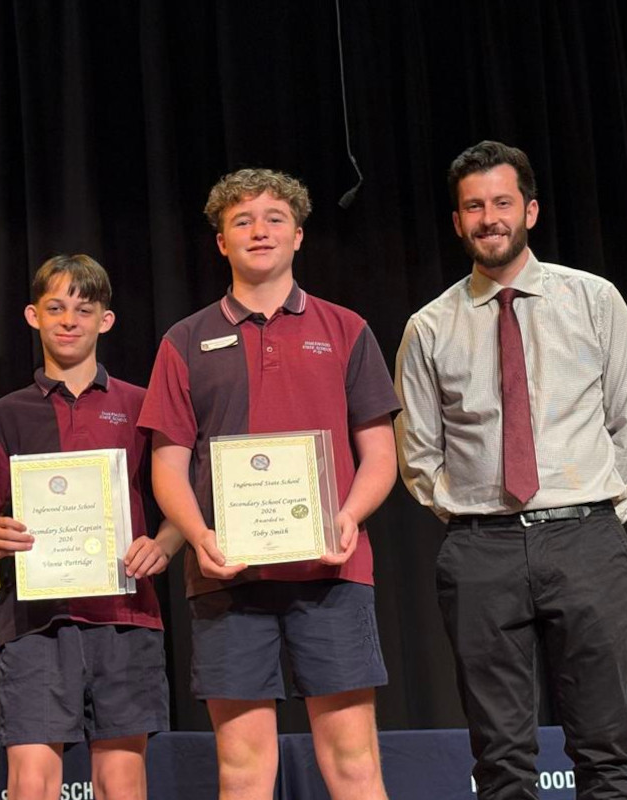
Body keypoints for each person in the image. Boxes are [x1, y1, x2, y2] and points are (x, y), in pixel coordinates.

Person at [394, 140, 627, 799]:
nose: (489, 218)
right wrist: (475, 516)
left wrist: (595, 512)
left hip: (585, 538)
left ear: (530, 211)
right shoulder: (428, 327)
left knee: (605, 745)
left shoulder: (593, 301)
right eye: (473, 206)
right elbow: (419, 454)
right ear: (458, 222)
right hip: (481, 547)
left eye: (502, 203)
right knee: (501, 757)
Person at [139, 168, 399, 799]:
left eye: (274, 218)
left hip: (331, 575)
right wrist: (198, 535)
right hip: (229, 580)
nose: (260, 230)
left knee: (355, 765)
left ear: (300, 236)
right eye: (241, 221)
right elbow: (167, 466)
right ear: (221, 243)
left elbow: (382, 454)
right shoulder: (184, 341)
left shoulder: (346, 329)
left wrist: (350, 515)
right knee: (243, 772)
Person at [0, 254, 180, 800]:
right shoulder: (8, 413)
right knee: (31, 781)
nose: (68, 320)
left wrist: (167, 543)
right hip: (37, 620)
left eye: (84, 309)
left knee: (121, 781)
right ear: (33, 316)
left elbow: (183, 501)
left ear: (105, 320)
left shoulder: (139, 405)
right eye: (55, 308)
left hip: (126, 614)